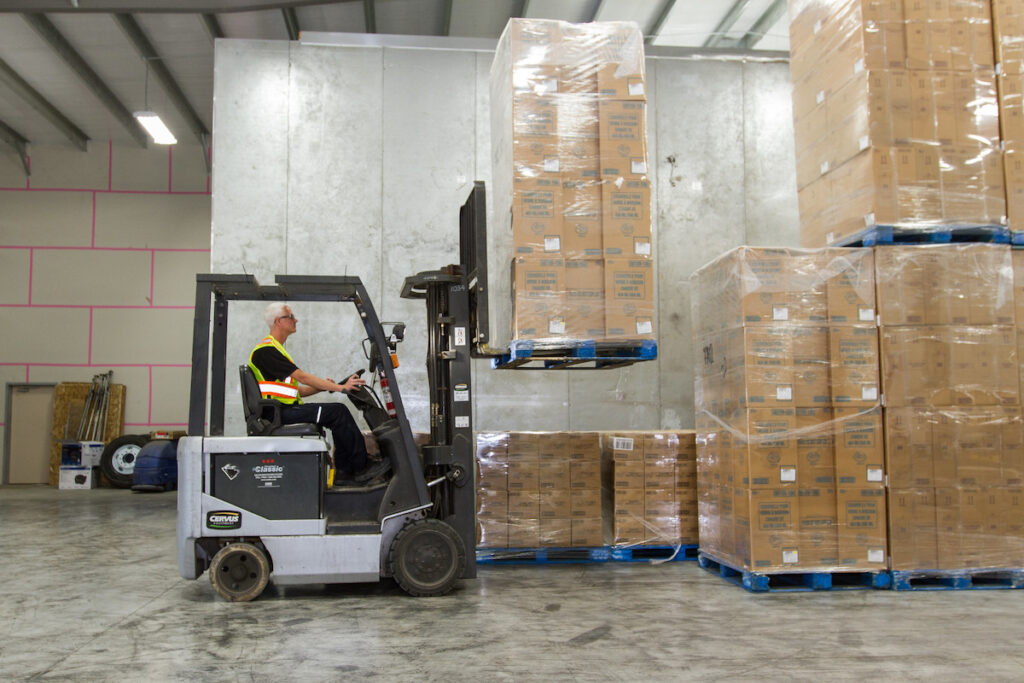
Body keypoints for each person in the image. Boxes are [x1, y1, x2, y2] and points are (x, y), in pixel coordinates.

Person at [248, 302, 390, 483]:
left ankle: (344, 472)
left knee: (336, 414)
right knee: (338, 412)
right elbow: (302, 377)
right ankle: (360, 467)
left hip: (282, 410)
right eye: (291, 317)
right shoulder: (267, 350)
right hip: (278, 414)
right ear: (278, 321)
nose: (296, 320)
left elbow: (295, 391)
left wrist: (326, 386)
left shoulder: (274, 349)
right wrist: (340, 388)